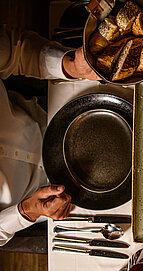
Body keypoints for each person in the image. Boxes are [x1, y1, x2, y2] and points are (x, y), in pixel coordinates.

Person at [0, 24, 99, 246]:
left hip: (52, 114)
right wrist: (25, 213)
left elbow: (17, 53)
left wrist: (70, 66)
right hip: (47, 202)